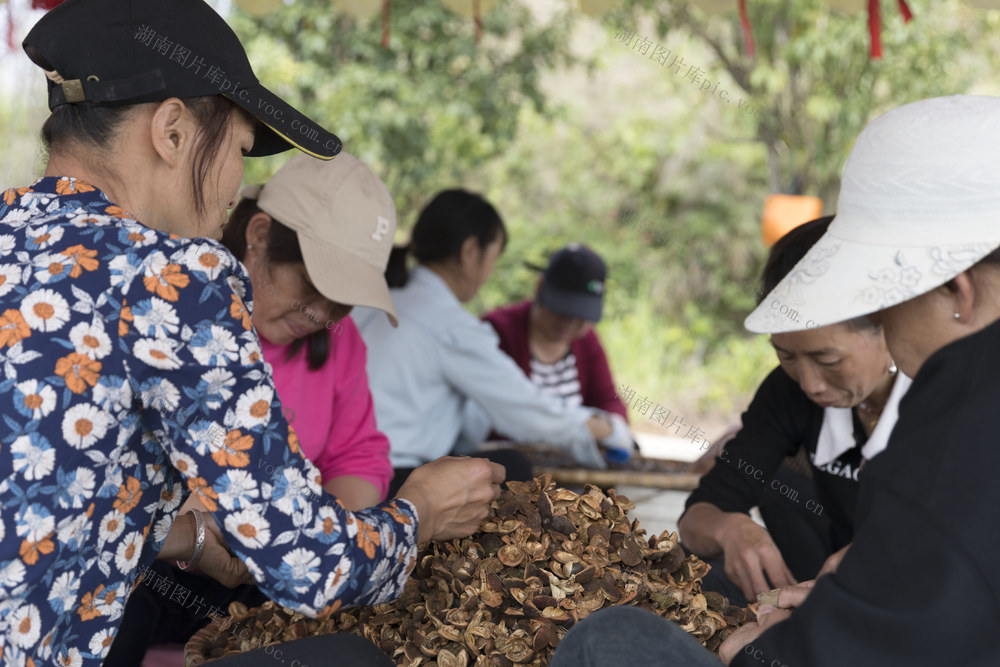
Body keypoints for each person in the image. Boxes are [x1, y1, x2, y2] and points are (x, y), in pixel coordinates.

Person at [1, 2, 502, 665]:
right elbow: (312, 569)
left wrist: (194, 538)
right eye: (238, 149)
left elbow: (46, 497)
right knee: (350, 658)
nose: (239, 184)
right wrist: (420, 512)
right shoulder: (176, 276)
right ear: (172, 131)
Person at [550, 94, 1000, 666]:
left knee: (607, 640)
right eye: (788, 358)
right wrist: (856, 586)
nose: (810, 382)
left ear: (958, 291)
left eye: (885, 311)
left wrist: (776, 648)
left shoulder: (958, 419)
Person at [105, 151, 401, 664]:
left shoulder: (339, 339)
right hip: (155, 559)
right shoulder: (175, 306)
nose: (321, 314)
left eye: (342, 303)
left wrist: (317, 537)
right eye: (314, 288)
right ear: (259, 235)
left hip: (267, 570)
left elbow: (356, 456)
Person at [678, 215, 912, 606]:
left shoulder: (947, 396)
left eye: (828, 359)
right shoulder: (787, 391)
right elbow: (696, 516)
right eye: (786, 355)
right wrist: (727, 526)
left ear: (887, 328)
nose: (809, 383)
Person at [354, 190, 632, 496]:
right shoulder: (456, 326)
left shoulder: (370, 298)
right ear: (471, 251)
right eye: (494, 258)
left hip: (341, 466)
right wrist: (605, 428)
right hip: (385, 478)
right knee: (512, 468)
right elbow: (529, 414)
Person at [478, 243, 634, 458]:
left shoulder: (586, 341)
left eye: (581, 316)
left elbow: (608, 400)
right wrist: (589, 428)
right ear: (540, 288)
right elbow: (504, 414)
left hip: (574, 468)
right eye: (562, 311)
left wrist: (612, 427)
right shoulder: (498, 333)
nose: (569, 323)